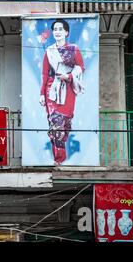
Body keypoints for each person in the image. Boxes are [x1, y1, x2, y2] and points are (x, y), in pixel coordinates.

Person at [39, 19, 85, 165]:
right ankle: (58, 159)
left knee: (65, 123)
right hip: (51, 90)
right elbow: (45, 74)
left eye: (60, 29)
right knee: (54, 123)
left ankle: (62, 156)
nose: (57, 32)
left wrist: (69, 77)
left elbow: (80, 67)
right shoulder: (49, 51)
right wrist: (41, 94)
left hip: (68, 89)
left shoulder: (74, 49)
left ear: (66, 32)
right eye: (55, 29)